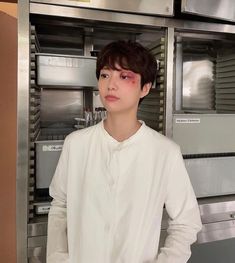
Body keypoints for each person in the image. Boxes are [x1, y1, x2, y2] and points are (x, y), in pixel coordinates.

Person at [47, 40, 202, 263]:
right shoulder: (76, 144)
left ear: (145, 88)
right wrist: (58, 258)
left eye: (124, 76)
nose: (111, 85)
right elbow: (59, 206)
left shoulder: (164, 152)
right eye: (105, 75)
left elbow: (186, 222)